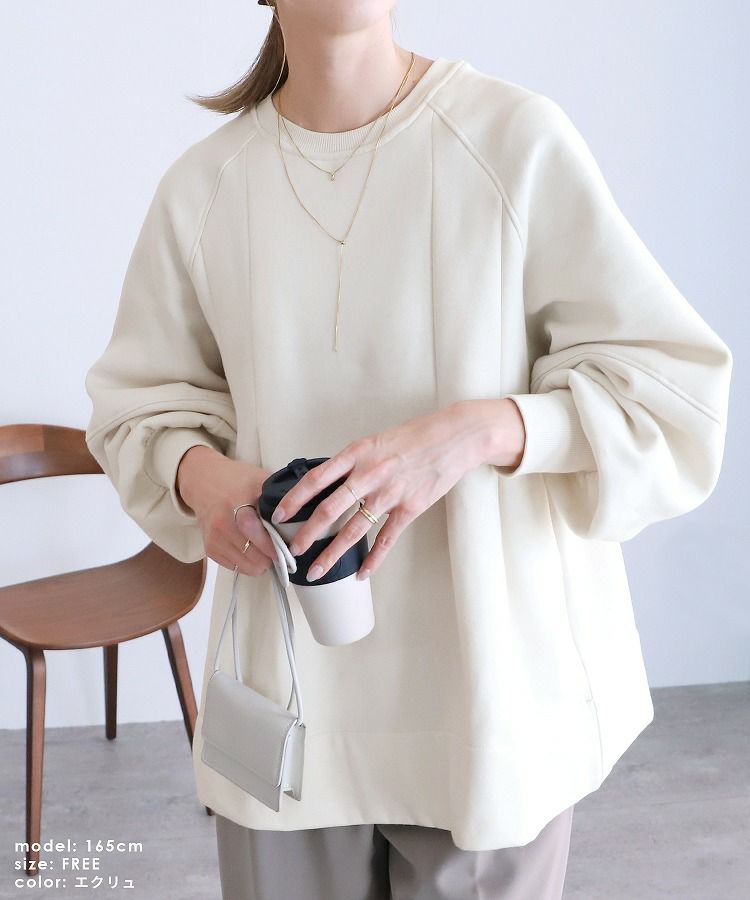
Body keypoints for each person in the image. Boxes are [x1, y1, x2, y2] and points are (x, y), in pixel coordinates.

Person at [83, 1, 733, 898]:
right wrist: (204, 479)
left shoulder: (512, 140)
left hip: (490, 698)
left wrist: (482, 430)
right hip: (290, 701)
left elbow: (670, 389)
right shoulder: (204, 188)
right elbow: (137, 407)